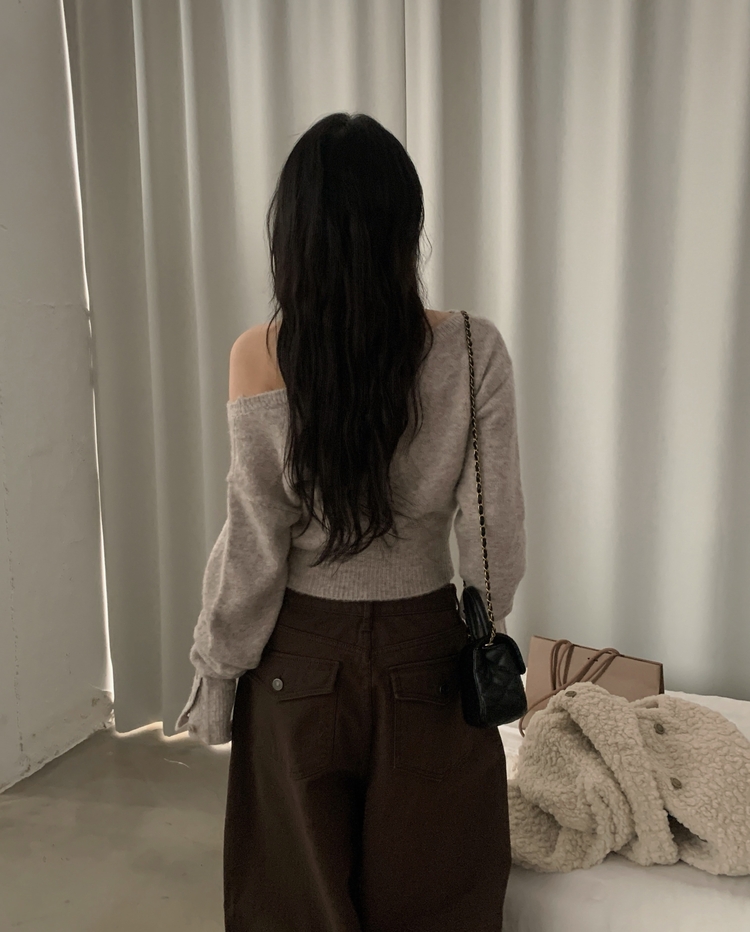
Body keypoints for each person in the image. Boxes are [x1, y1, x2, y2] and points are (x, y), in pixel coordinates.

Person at [175, 111, 527, 932]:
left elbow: (254, 542)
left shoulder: (259, 355)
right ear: (407, 228)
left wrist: (218, 673)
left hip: (297, 663)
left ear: (292, 236)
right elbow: (493, 534)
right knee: (436, 900)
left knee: (296, 906)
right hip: (426, 655)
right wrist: (489, 629)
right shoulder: (472, 348)